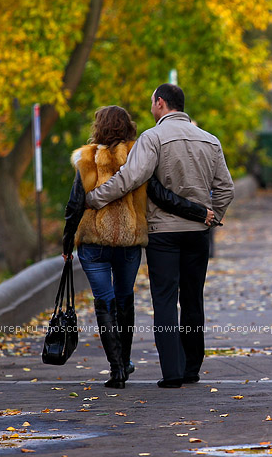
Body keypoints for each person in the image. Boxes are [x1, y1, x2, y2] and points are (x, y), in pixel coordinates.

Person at [85, 84, 234, 388]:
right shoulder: (210, 140)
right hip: (197, 234)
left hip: (163, 233)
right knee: (193, 300)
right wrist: (212, 217)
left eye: (152, 102)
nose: (151, 107)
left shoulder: (152, 138)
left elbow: (131, 177)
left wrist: (97, 197)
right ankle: (192, 368)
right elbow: (226, 189)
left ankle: (173, 373)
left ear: (161, 103)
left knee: (165, 300)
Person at [62, 105, 213, 389]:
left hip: (93, 241)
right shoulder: (139, 153)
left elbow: (74, 203)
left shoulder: (87, 158)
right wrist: (198, 211)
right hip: (129, 241)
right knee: (124, 299)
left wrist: (67, 240)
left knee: (103, 302)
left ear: (98, 127)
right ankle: (126, 358)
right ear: (129, 126)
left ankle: (117, 369)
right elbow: (160, 194)